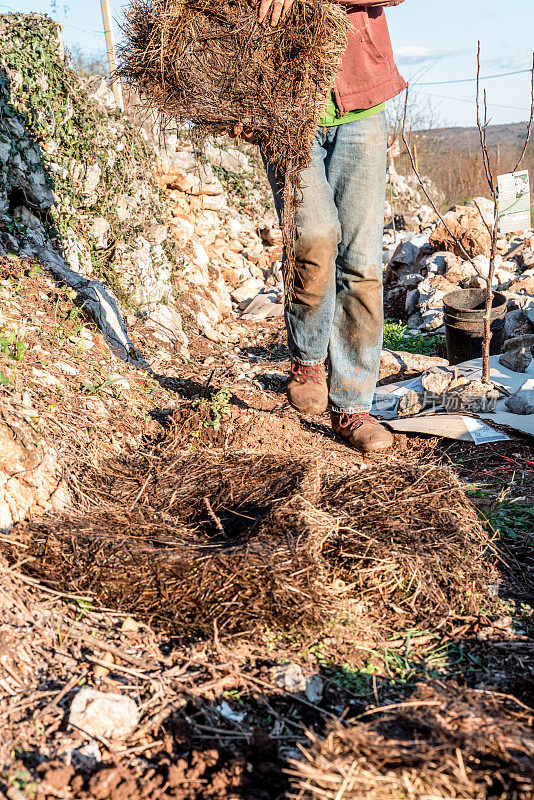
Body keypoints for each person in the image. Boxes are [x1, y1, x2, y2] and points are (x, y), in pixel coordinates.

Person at [236, 0, 406, 453]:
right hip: (283, 107)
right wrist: (233, 95)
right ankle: (309, 358)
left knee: (362, 263)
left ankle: (352, 406)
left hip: (361, 103)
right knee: (312, 235)